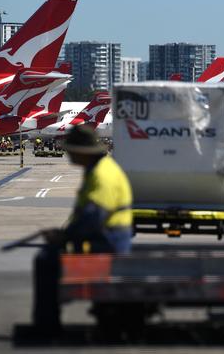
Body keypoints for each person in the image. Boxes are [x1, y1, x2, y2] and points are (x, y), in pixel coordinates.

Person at [33, 124, 133, 329]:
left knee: (47, 260)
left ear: (81, 152)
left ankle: (46, 324)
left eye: (70, 150)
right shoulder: (97, 169)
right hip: (103, 236)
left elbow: (94, 217)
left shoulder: (102, 175)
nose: (68, 154)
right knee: (49, 256)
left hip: (107, 240)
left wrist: (64, 236)